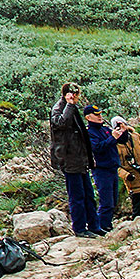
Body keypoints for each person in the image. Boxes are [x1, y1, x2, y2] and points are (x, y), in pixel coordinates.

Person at [49, 83, 99, 236]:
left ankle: (94, 226)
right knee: (77, 197)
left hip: (80, 158)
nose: (77, 98)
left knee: (89, 195)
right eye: (74, 95)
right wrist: (69, 105)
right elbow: (62, 123)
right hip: (69, 159)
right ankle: (79, 228)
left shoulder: (72, 108)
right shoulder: (58, 109)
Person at [84, 103, 120, 232]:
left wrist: (123, 132)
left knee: (113, 200)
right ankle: (101, 226)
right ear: (88, 117)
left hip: (112, 168)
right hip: (101, 170)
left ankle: (106, 224)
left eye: (100, 114)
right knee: (106, 202)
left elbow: (118, 140)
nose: (100, 116)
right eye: (96, 114)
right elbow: (97, 148)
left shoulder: (104, 129)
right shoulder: (89, 133)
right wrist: (112, 138)